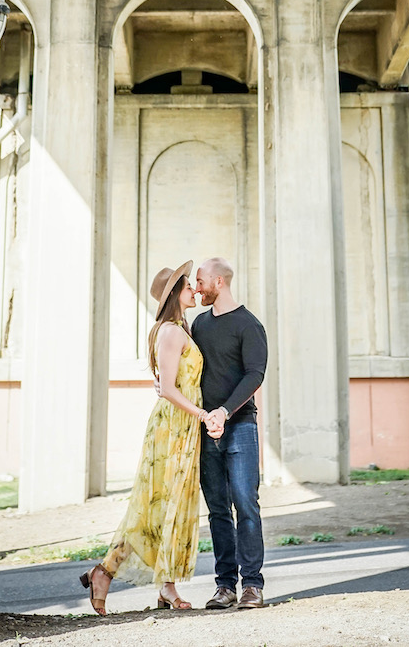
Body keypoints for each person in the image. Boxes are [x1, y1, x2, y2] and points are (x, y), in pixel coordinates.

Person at [80, 260, 218, 614]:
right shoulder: (171, 332)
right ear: (175, 294)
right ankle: (161, 585)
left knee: (160, 507)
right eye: (189, 286)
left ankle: (110, 575)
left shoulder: (177, 329)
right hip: (173, 427)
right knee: (161, 506)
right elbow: (168, 390)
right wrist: (202, 414)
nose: (195, 290)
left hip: (181, 427)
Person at [193, 257, 268, 610]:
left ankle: (252, 584)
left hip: (240, 428)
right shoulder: (199, 324)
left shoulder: (249, 325)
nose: (196, 287)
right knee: (218, 510)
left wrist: (225, 411)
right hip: (205, 430)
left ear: (218, 282)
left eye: (200, 281)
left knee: (245, 504)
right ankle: (225, 586)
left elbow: (255, 374)